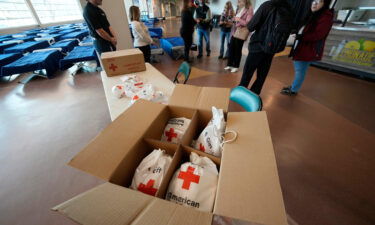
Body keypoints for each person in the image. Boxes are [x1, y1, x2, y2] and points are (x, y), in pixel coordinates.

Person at [238, 0, 292, 95]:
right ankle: (255, 94)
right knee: (262, 75)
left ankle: (241, 93)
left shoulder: (267, 5)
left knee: (248, 72)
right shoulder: (288, 8)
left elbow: (251, 26)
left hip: (258, 45)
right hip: (272, 47)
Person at [281, 0, 334, 96]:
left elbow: (318, 35)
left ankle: (293, 90)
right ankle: (294, 87)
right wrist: (297, 33)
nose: (315, 3)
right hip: (302, 46)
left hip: (308, 49)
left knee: (300, 70)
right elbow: (304, 29)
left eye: (319, 1)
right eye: (314, 1)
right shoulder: (313, 14)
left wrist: (301, 37)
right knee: (300, 69)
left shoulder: (325, 17)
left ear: (325, 4)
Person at [224, 0, 253, 73]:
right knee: (231, 48)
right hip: (234, 31)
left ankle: (235, 66)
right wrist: (233, 19)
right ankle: (229, 64)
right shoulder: (239, 8)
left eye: (240, 0)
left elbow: (248, 23)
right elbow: (236, 19)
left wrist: (238, 19)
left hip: (241, 32)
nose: (238, 1)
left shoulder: (249, 9)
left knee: (237, 49)